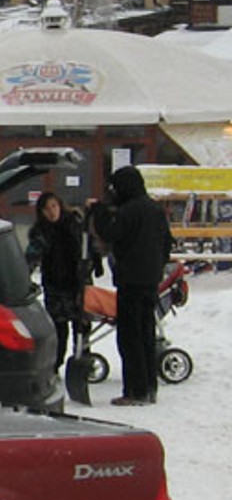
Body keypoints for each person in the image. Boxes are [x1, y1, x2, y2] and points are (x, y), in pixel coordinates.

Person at [90, 165, 174, 406]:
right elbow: (167, 241)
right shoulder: (154, 209)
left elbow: (110, 233)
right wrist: (157, 265)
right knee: (147, 334)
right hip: (151, 280)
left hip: (130, 281)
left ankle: (135, 391)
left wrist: (100, 210)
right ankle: (149, 387)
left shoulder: (129, 211)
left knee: (130, 337)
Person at [26, 190, 90, 368]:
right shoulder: (41, 232)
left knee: (82, 326)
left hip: (77, 284)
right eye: (46, 209)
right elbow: (32, 257)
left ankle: (83, 362)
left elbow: (86, 251)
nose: (51, 212)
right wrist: (23, 277)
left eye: (54, 206)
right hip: (55, 285)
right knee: (58, 328)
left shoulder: (74, 224)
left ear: (60, 206)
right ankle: (56, 364)